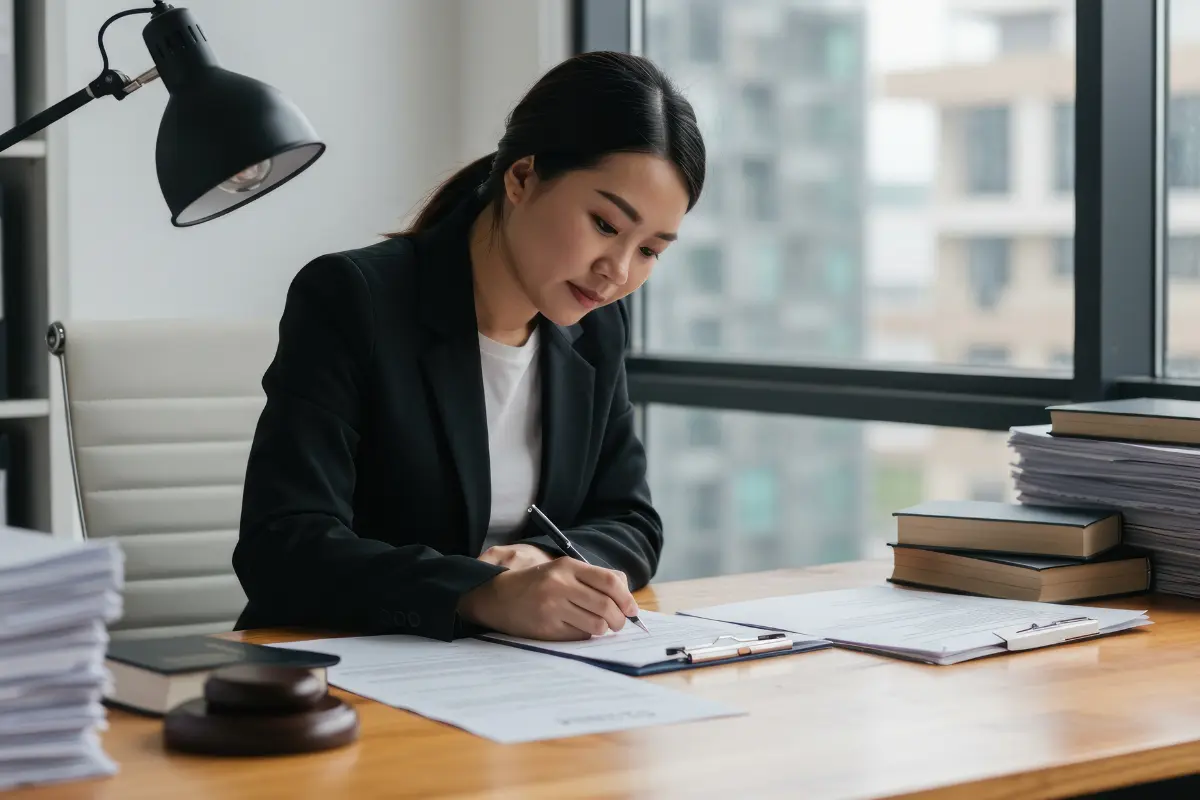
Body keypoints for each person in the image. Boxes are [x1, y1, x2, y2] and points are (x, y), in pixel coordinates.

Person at [233, 51, 705, 642]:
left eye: (650, 250)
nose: (617, 271)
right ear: (523, 178)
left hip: (520, 679)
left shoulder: (596, 331)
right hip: (346, 670)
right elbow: (282, 548)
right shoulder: (355, 299)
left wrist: (545, 562)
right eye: (606, 225)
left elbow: (631, 521)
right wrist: (479, 593)